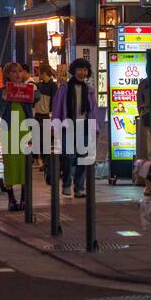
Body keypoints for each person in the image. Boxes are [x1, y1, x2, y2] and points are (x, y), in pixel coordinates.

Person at [51, 58, 96, 198]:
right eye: (79, 69)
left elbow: (93, 111)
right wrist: (55, 126)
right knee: (68, 157)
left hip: (84, 126)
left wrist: (95, 127)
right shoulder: (64, 88)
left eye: (85, 70)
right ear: (73, 71)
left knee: (83, 158)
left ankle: (79, 187)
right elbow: (57, 107)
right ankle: (66, 184)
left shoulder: (89, 90)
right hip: (67, 126)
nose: (82, 73)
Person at [0, 62, 36, 211]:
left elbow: (36, 98)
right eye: (13, 72)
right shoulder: (1, 92)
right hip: (9, 130)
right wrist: (5, 99)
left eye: (19, 72)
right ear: (7, 75)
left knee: (25, 163)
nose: (17, 74)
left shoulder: (27, 89)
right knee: (10, 164)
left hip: (25, 129)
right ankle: (11, 198)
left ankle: (24, 198)